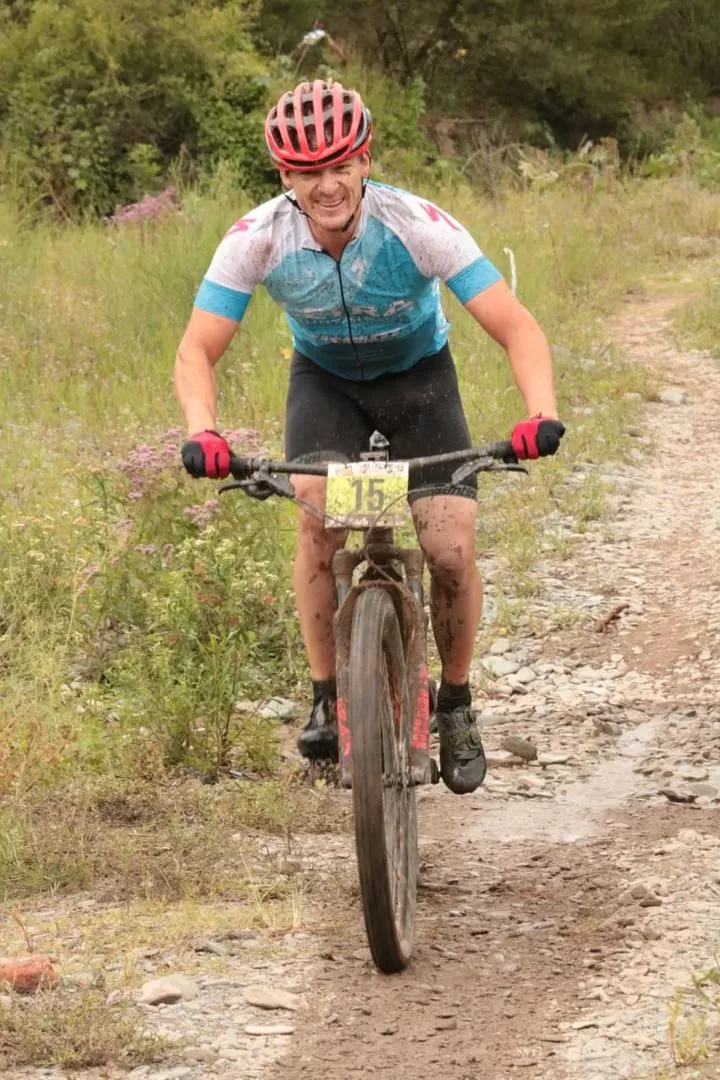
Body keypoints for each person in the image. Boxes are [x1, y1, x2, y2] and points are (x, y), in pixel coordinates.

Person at [175, 79, 565, 796]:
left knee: (449, 548)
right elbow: (197, 349)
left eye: (339, 165)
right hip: (326, 385)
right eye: (305, 171)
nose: (325, 185)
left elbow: (517, 326)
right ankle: (327, 693)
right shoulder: (257, 238)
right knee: (318, 517)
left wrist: (537, 412)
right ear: (284, 175)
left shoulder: (417, 224)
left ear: (364, 160)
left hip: (420, 380)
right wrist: (203, 428)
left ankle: (455, 702)